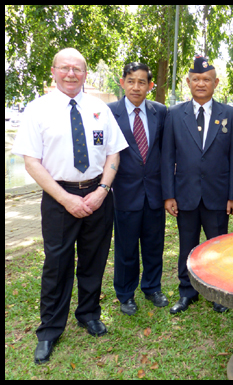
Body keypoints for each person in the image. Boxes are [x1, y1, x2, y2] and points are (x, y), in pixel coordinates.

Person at [11, 48, 128, 364]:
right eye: (65, 68)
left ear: (86, 73)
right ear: (54, 71)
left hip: (98, 195)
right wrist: (65, 199)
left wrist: (103, 190)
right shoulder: (38, 110)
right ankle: (50, 330)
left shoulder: (99, 109)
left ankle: (89, 314)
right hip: (58, 196)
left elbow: (113, 153)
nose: (72, 73)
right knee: (57, 264)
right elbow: (32, 162)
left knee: (94, 258)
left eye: (78, 68)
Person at [161, 56, 233, 314]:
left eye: (206, 79)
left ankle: (219, 292)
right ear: (188, 82)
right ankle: (187, 291)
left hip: (218, 196)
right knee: (187, 244)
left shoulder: (230, 114)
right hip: (185, 194)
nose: (200, 83)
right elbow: (167, 157)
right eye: (195, 79)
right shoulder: (174, 114)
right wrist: (168, 195)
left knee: (217, 246)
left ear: (216, 83)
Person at [107, 62, 169, 316]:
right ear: (122, 82)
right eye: (131, 81)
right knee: (126, 248)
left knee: (154, 245)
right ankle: (125, 293)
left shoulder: (161, 113)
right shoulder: (109, 113)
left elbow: (166, 153)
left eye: (142, 82)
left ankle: (152, 287)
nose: (136, 86)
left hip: (155, 193)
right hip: (124, 193)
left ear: (150, 86)